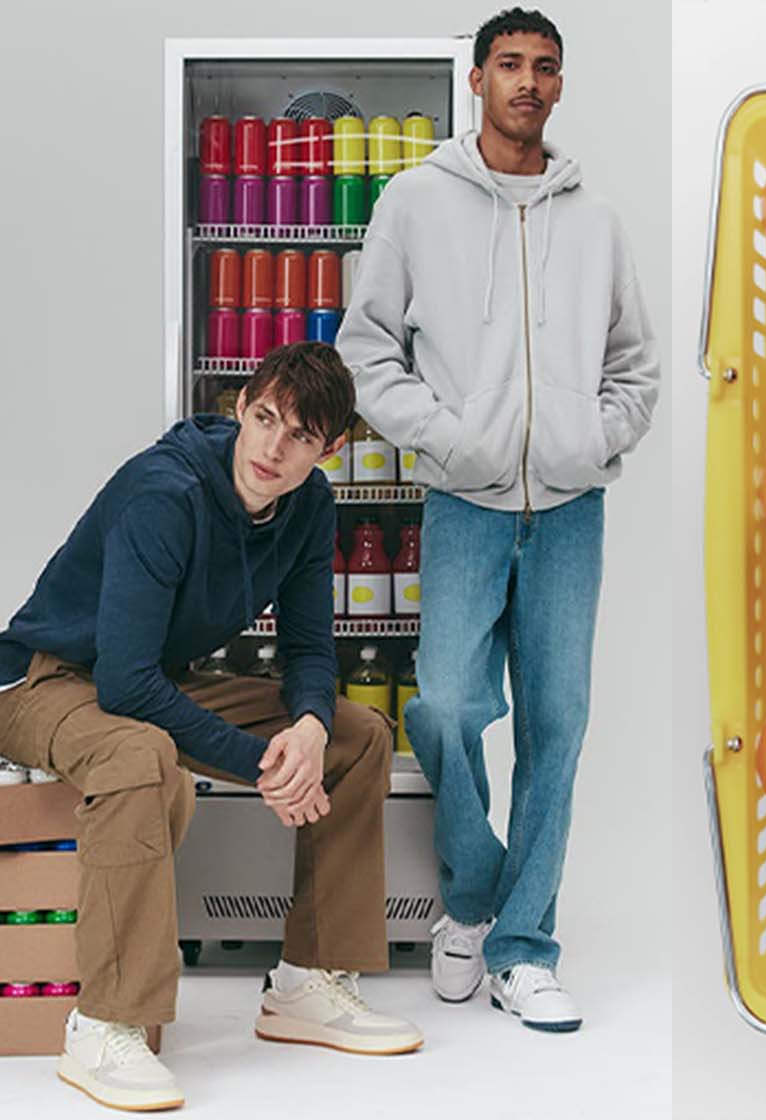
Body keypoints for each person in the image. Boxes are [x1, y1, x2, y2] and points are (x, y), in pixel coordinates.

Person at [338, 6, 659, 1033]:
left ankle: (524, 947)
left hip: (570, 510)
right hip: (464, 502)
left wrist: (592, 439)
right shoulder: (412, 203)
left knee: (557, 729)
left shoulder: (595, 219)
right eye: (510, 64)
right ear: (476, 79)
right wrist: (447, 437)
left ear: (560, 87)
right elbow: (365, 346)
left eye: (545, 67)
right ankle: (470, 894)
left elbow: (637, 367)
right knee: (443, 707)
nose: (527, 81)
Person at [0, 343, 423, 1113]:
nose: (272, 448)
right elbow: (124, 686)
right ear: (241, 407)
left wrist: (308, 729)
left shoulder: (309, 506)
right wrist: (271, 763)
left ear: (328, 451)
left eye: (300, 437)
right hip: (44, 678)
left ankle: (308, 983)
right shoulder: (163, 495)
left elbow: (306, 647)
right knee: (140, 754)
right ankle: (104, 1024)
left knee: (358, 736)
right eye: (264, 419)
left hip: (150, 674)